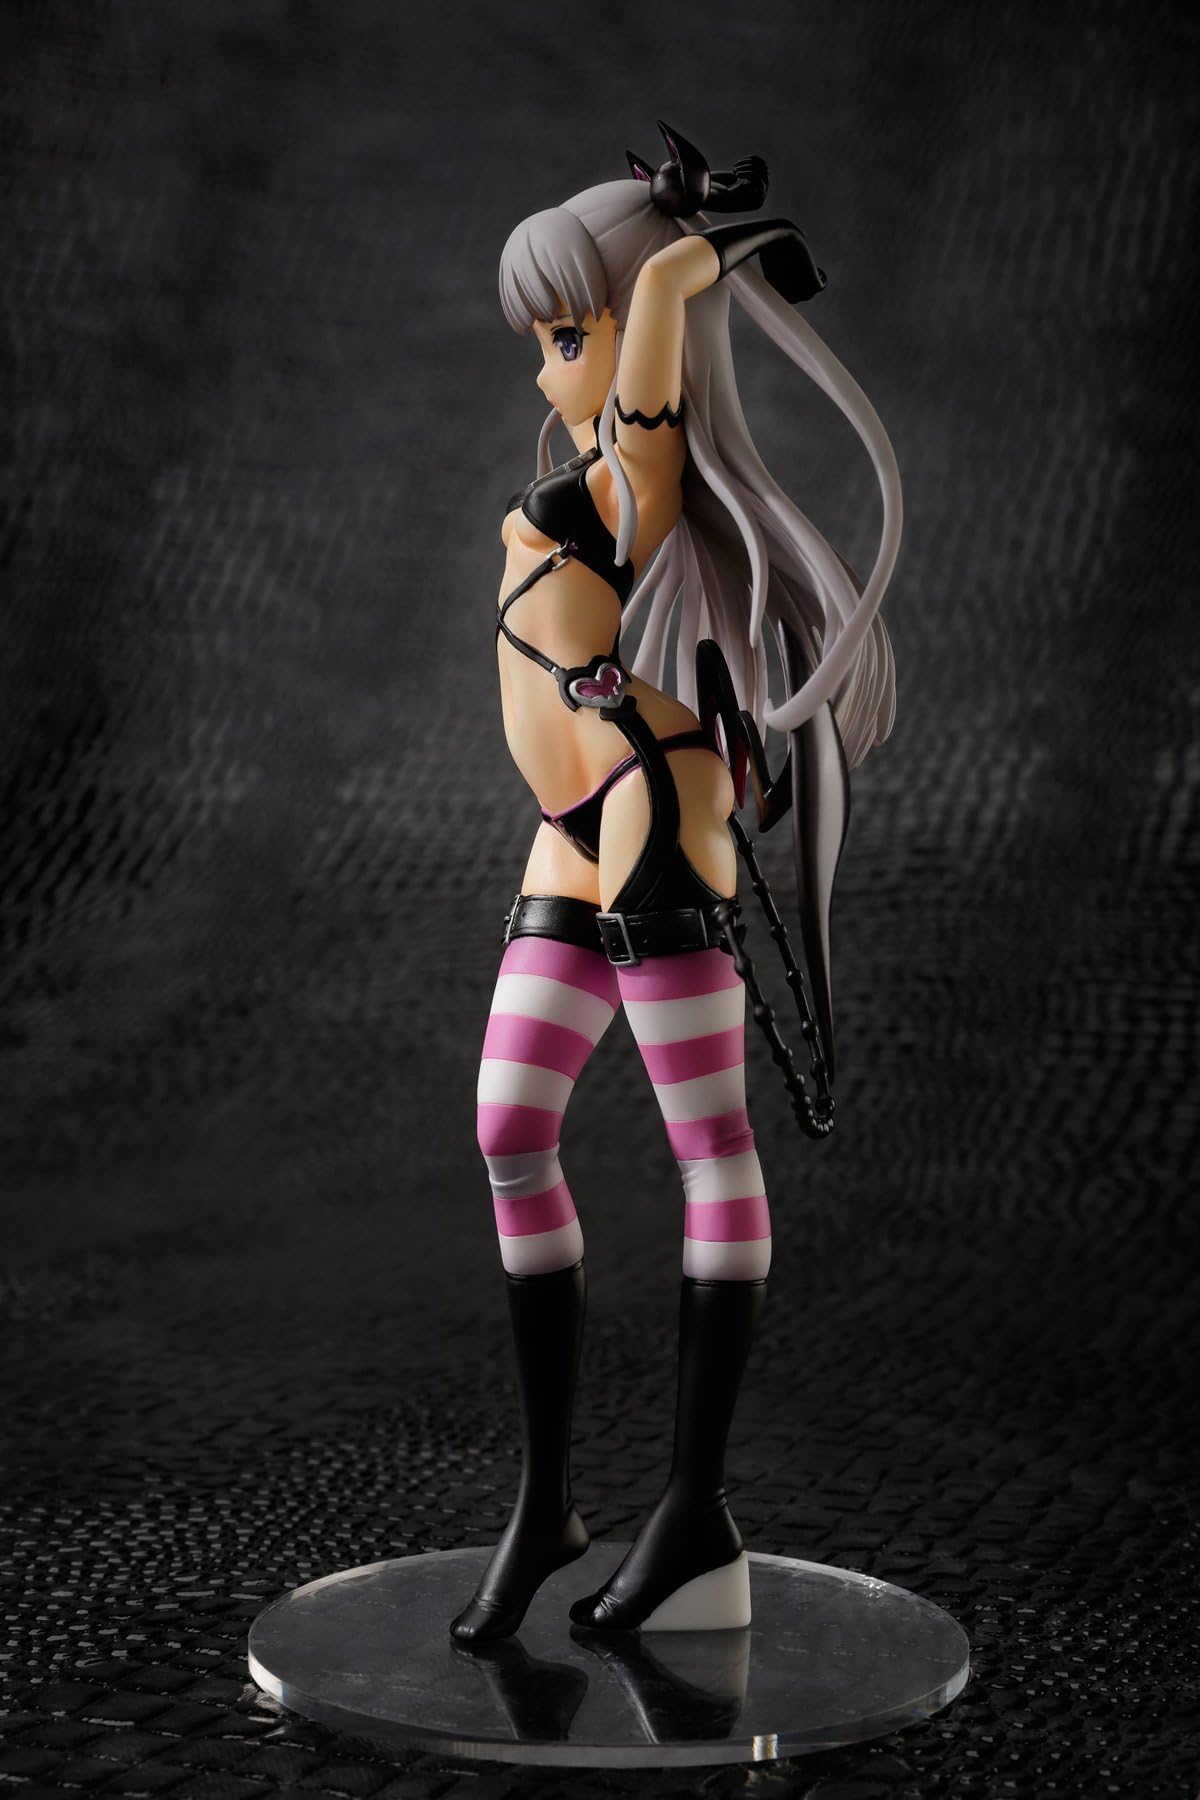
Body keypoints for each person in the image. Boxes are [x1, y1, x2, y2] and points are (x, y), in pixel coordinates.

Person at [450, 124, 902, 1644]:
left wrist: (685, 262)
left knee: (709, 1146)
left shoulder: (629, 474)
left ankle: (696, 1511)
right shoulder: (574, 477)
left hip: (650, 806)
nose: (548, 371)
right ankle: (546, 1503)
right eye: (545, 339)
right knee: (509, 1126)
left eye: (568, 337)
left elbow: (651, 370)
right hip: (567, 827)